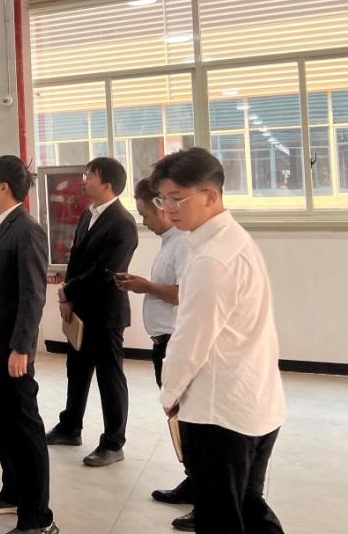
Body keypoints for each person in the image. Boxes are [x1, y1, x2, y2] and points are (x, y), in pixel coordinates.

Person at [152, 148, 285, 534]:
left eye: (178, 198)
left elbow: (190, 341)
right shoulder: (232, 239)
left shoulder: (212, 259)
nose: (168, 208)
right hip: (252, 403)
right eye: (163, 199)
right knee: (248, 507)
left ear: (211, 196)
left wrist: (169, 394)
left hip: (219, 412)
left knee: (220, 517)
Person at [47, 157, 138, 467]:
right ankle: (70, 427)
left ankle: (113, 442)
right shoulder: (88, 213)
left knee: (110, 379)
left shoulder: (122, 222)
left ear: (108, 184)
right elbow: (76, 259)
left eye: (90, 176)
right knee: (77, 371)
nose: (83, 180)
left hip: (106, 314)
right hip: (80, 310)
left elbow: (105, 272)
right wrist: (67, 295)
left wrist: (68, 291)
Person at [116, 178, 194, 532]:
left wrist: (146, 286)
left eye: (146, 214)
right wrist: (143, 283)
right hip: (163, 342)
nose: (143, 221)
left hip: (176, 343)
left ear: (163, 207)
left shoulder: (184, 243)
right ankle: (193, 478)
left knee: (189, 419)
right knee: (179, 418)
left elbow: (182, 293)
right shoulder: (169, 242)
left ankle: (205, 492)